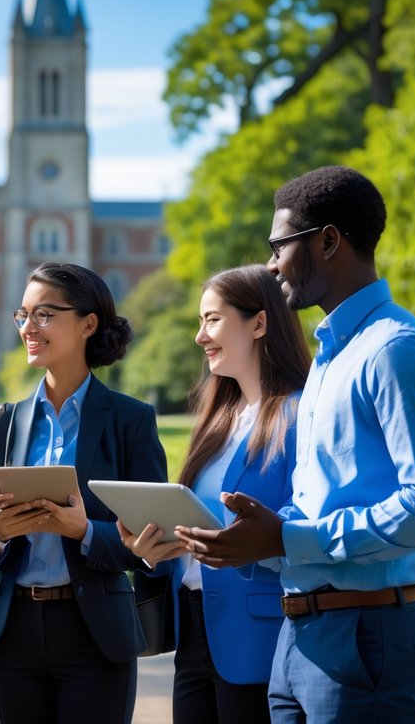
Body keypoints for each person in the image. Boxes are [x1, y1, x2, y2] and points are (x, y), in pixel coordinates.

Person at [176, 165, 415, 722]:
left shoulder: (396, 350)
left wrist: (291, 536)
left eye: (279, 246)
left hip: (366, 634)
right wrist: (254, 542)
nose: (272, 264)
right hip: (298, 635)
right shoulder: (329, 361)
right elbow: (319, 507)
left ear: (329, 241)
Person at [0, 262, 168, 724]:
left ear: (87, 324)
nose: (28, 328)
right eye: (22, 315)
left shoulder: (130, 420)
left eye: (43, 315)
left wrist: (86, 532)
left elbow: (156, 544)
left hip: (95, 634)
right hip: (11, 633)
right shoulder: (4, 421)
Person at [119, 265, 309, 724]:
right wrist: (152, 550)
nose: (200, 336)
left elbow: (306, 522)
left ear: (259, 323)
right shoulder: (218, 422)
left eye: (212, 320)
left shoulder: (302, 414)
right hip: (194, 633)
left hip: (262, 637)